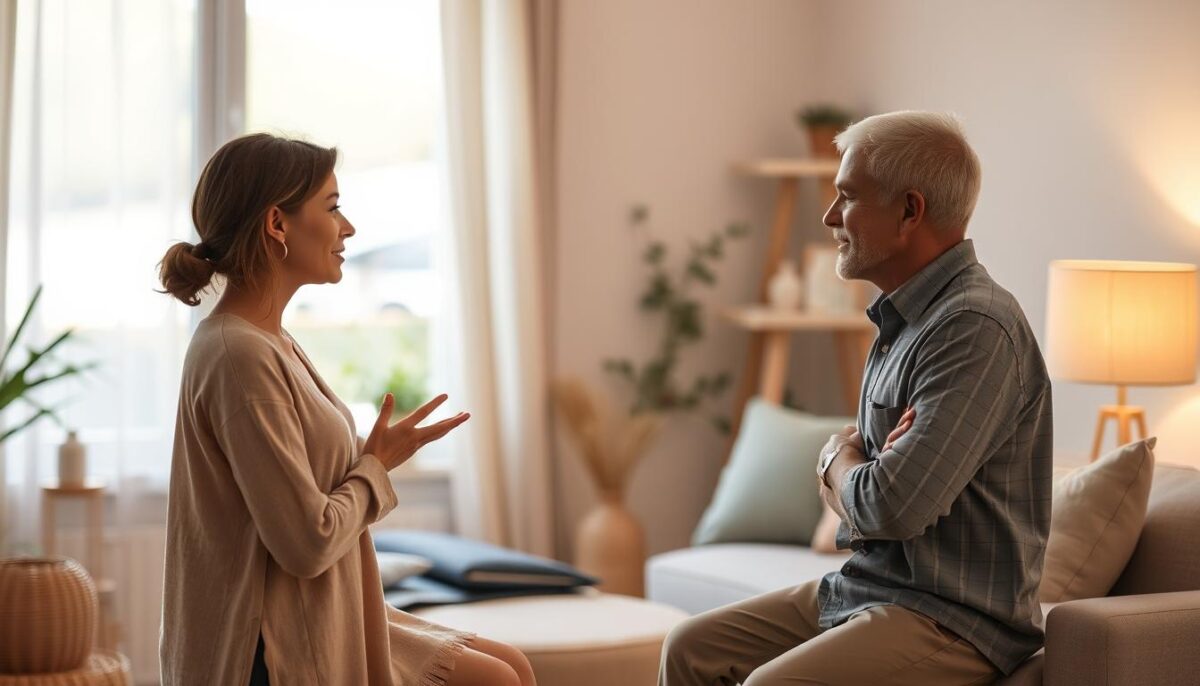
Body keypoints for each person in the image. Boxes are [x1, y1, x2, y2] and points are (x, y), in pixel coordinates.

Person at [658, 111, 1053, 685]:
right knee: (691, 647)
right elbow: (875, 499)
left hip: (955, 620)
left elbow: (888, 507)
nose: (829, 216)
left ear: (909, 210)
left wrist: (834, 460)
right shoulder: (904, 320)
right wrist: (862, 474)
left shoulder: (973, 327)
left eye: (847, 196)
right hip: (870, 587)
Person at [157, 133, 536, 686]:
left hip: (322, 606)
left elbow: (297, 483)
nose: (348, 228)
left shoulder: (269, 341)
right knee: (497, 680)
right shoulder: (238, 354)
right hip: (274, 635)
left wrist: (378, 455)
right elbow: (307, 542)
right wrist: (376, 466)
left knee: (514, 667)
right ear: (277, 225)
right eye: (332, 208)